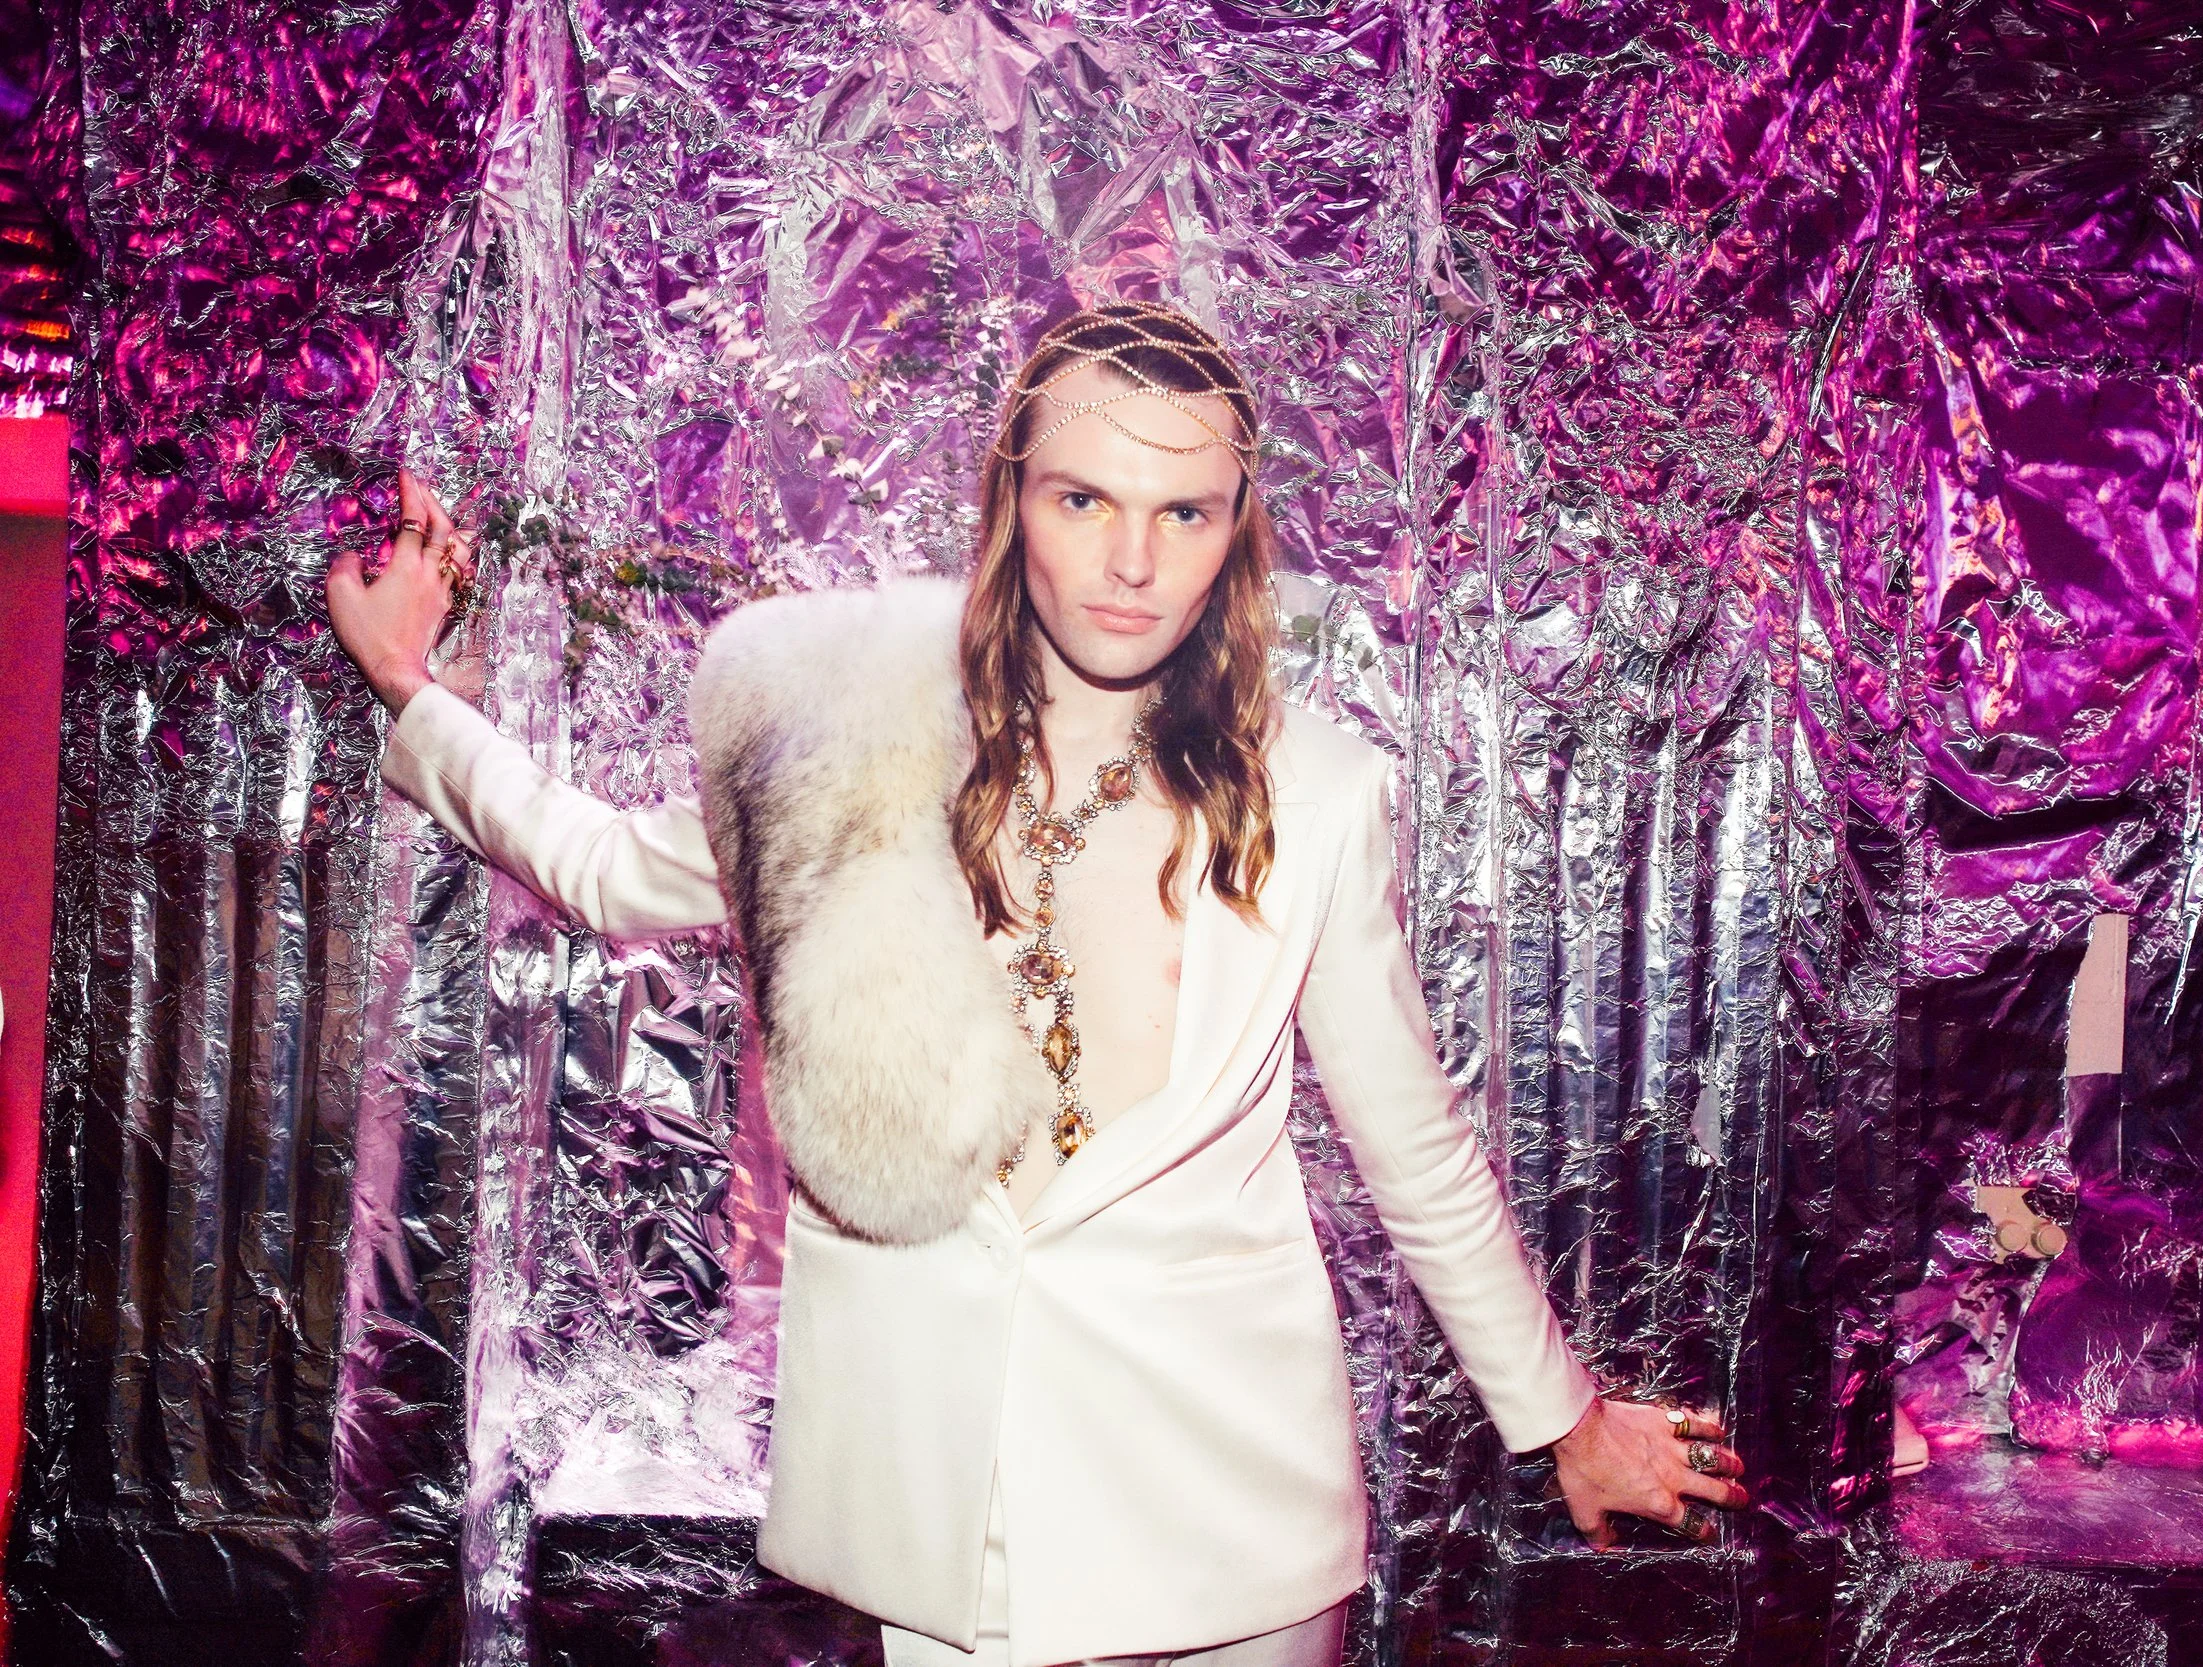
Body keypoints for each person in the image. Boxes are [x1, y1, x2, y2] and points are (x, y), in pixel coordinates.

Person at [327, 301, 1750, 1667]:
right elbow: (603, 864)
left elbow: (1412, 1142)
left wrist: (1564, 1419)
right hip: (963, 1486)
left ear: (1234, 532)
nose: (1132, 560)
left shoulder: (1317, 792)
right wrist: (411, 686)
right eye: (1086, 500)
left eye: (1182, 512)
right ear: (1014, 498)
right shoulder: (854, 747)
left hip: (1231, 1491)